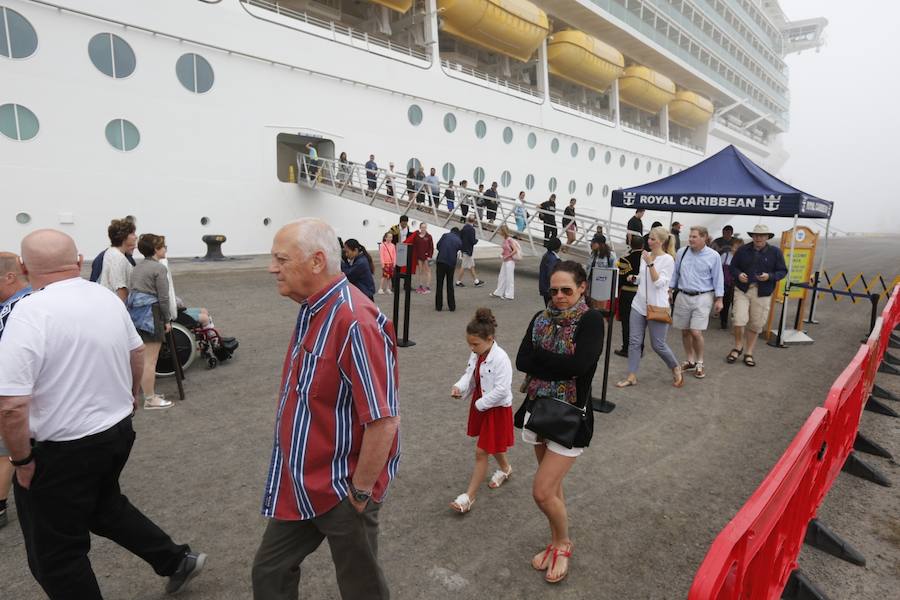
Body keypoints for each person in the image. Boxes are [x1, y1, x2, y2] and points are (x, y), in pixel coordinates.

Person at [0, 229, 205, 599]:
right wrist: (129, 397)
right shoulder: (105, 298)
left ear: (26, 269)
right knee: (104, 508)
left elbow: (12, 404)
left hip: (59, 449)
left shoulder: (29, 312)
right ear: (79, 261)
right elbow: (136, 353)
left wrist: (22, 459)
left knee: (56, 556)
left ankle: (175, 560)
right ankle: (176, 561)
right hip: (114, 432)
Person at [253, 219, 399, 600]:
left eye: (281, 259)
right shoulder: (312, 308)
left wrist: (360, 492)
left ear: (317, 261)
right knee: (270, 571)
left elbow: (383, 420)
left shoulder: (355, 321)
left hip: (342, 488)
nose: (272, 268)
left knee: (361, 587)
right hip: (302, 481)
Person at [515, 260, 605, 584]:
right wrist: (556, 364)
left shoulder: (591, 320)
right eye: (554, 290)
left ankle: (563, 543)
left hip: (570, 417)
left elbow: (579, 366)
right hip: (540, 411)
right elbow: (522, 359)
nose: (559, 296)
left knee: (541, 492)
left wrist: (543, 363)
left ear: (582, 288)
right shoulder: (540, 318)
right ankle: (554, 542)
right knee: (552, 488)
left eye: (567, 290)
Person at [449, 308, 514, 513]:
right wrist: (460, 387)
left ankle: (469, 497)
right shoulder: (476, 353)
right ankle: (505, 468)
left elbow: (502, 391)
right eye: (470, 343)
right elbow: (470, 374)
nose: (472, 347)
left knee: (481, 451)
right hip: (483, 403)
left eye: (475, 344)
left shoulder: (501, 359)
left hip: (495, 408)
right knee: (492, 445)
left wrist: (479, 404)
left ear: (490, 338)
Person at [616, 226, 683, 389]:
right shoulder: (644, 256)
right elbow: (644, 279)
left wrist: (650, 263)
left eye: (652, 239)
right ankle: (631, 376)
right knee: (634, 341)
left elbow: (659, 283)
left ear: (660, 241)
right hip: (639, 304)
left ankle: (675, 366)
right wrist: (635, 278)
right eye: (649, 238)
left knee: (658, 345)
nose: (649, 241)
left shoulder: (668, 259)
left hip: (657, 307)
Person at [0, 251, 32, 529]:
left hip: (15, 389)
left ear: (10, 276)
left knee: (5, 449)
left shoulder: (14, 309)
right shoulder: (40, 299)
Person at [727, 224, 787, 367]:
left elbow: (782, 271)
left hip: (762, 292)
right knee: (739, 320)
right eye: (756, 235)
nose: (758, 238)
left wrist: (770, 276)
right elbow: (733, 267)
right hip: (743, 290)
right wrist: (738, 274)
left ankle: (749, 352)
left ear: (767, 237)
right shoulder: (743, 250)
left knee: (756, 323)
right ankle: (738, 346)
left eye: (762, 235)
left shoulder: (775, 252)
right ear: (752, 236)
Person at [126, 234, 174, 409]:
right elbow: (163, 297)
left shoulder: (138, 267)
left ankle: (148, 393)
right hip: (151, 314)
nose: (166, 248)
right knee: (150, 360)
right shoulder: (159, 268)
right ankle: (150, 398)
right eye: (163, 246)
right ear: (156, 249)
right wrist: (167, 318)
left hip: (136, 313)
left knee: (142, 357)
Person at [670, 226, 724, 380]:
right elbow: (676, 273)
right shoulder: (682, 252)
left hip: (703, 296)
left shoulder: (713, 256)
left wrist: (719, 299)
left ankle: (700, 362)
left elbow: (718, 278)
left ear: (704, 237)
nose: (690, 239)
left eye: (694, 236)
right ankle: (690, 360)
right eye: (690, 236)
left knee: (696, 331)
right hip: (683, 295)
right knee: (685, 330)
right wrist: (670, 290)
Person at [614, 236, 644, 357]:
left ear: (631, 245)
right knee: (640, 322)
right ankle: (640, 348)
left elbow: (620, 280)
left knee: (626, 322)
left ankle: (626, 348)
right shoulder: (648, 259)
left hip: (627, 294)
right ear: (642, 245)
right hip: (642, 294)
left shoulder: (624, 260)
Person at [98, 217, 137, 302]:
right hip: (117, 308)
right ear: (124, 237)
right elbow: (121, 290)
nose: (135, 237)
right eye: (133, 233)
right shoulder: (118, 258)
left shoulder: (111, 252)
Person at [585, 234, 617, 313]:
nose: (591, 244)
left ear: (600, 244)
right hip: (592, 284)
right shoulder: (593, 254)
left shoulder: (610, 255)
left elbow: (614, 270)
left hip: (603, 285)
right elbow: (588, 269)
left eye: (594, 242)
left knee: (601, 309)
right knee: (593, 308)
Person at [435, 227, 462, 312]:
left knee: (439, 284)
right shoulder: (458, 240)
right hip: (451, 263)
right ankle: (452, 306)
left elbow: (438, 246)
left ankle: (439, 306)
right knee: (449, 284)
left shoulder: (445, 235)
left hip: (441, 261)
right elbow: (459, 249)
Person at [491, 225, 521, 300]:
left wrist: (507, 256)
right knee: (502, 276)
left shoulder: (509, 240)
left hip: (510, 261)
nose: (499, 232)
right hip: (505, 260)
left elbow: (515, 250)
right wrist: (502, 254)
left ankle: (509, 295)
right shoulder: (505, 240)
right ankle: (499, 292)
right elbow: (506, 250)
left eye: (500, 230)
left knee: (509, 278)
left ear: (503, 231)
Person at [720, 237, 743, 329]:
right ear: (732, 247)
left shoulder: (743, 258)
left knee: (736, 305)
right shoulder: (725, 256)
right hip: (725, 284)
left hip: (738, 284)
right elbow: (718, 269)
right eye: (735, 247)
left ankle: (736, 323)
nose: (736, 249)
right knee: (725, 304)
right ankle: (723, 322)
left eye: (738, 248)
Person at [455, 215, 484, 287]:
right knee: (464, 266)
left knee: (471, 266)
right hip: (468, 250)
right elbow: (472, 241)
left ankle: (476, 281)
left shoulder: (464, 227)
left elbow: (460, 237)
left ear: (468, 220)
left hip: (464, 249)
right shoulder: (472, 229)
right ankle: (458, 281)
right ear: (474, 221)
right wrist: (476, 240)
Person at [411, 222, 434, 294]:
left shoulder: (429, 236)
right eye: (422, 227)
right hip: (419, 256)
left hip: (426, 257)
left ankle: (427, 287)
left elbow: (431, 247)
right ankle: (420, 286)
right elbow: (414, 246)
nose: (423, 228)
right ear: (420, 227)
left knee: (427, 271)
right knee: (420, 271)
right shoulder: (417, 236)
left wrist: (430, 256)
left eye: (425, 227)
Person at [538, 237, 562, 306]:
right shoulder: (553, 259)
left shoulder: (547, 255)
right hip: (550, 289)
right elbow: (551, 274)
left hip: (545, 288)